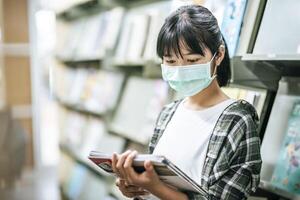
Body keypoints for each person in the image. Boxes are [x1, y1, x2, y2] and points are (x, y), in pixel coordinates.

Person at [111, 4, 262, 200]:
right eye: (171, 62)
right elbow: (152, 183)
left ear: (219, 55)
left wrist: (156, 187)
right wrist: (134, 185)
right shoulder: (168, 113)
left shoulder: (237, 119)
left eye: (192, 61)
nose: (181, 69)